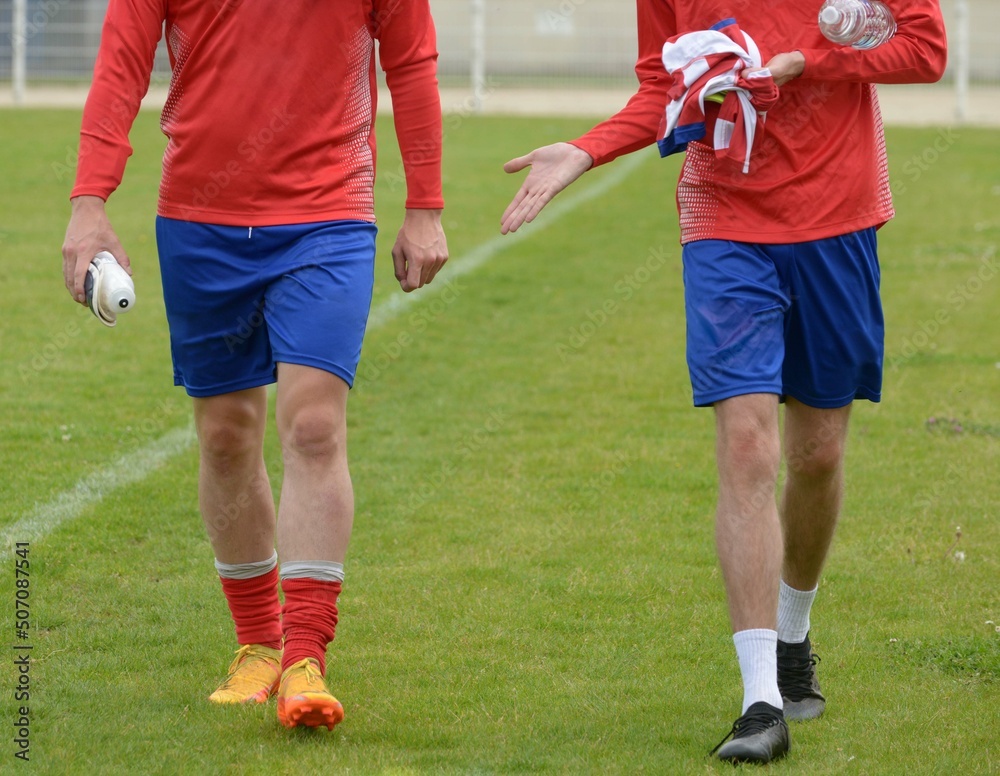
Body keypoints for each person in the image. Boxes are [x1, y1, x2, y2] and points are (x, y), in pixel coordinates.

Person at [501, 0, 945, 764]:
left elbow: (925, 48)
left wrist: (813, 60)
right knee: (746, 447)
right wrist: (586, 149)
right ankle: (759, 699)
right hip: (725, 221)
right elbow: (659, 84)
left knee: (818, 458)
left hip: (838, 221)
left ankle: (794, 632)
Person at [62, 0, 448, 730]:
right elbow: (120, 67)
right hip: (199, 218)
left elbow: (412, 62)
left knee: (312, 426)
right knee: (226, 436)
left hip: (327, 214)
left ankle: (306, 657)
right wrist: (90, 202)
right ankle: (258, 646)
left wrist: (424, 204)